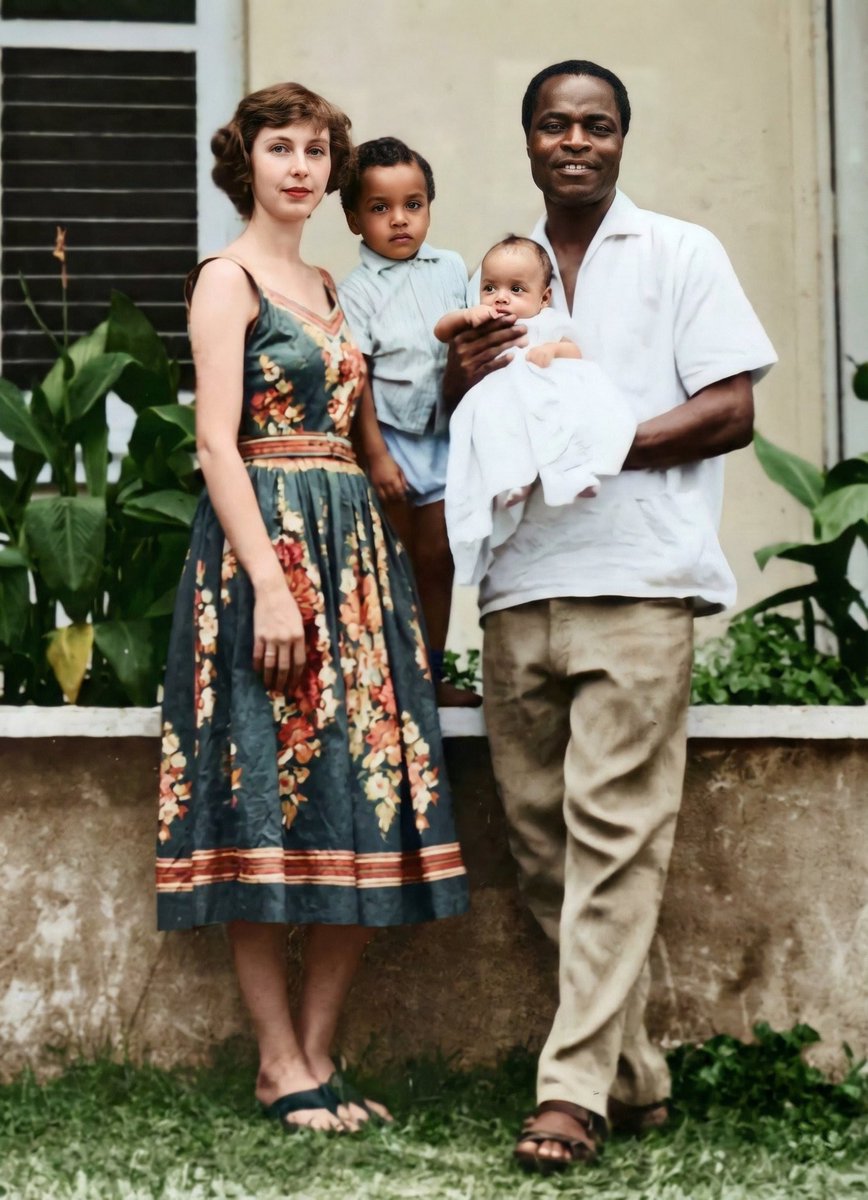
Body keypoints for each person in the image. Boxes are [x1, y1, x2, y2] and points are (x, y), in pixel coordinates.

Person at [442, 60, 777, 1172]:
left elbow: (730, 408)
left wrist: (596, 440)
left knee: (615, 844)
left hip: (638, 580)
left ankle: (568, 1095)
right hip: (517, 588)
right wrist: (467, 380)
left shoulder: (679, 252)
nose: (573, 140)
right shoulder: (504, 272)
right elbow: (473, 424)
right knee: (544, 855)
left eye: (594, 124)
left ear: (622, 138)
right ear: (528, 140)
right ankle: (634, 1079)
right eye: (553, 124)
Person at [156, 83, 469, 1135]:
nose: (299, 164)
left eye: (315, 150)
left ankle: (321, 1054)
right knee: (262, 802)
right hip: (266, 561)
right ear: (243, 162)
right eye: (278, 147)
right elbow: (214, 445)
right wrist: (271, 588)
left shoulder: (332, 282)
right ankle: (277, 1064)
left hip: (355, 563)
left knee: (356, 793)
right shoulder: (227, 279)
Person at [338, 137, 482, 707]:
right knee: (392, 563)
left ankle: (430, 674)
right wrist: (375, 455)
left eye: (413, 204)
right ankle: (388, 680)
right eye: (380, 208)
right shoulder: (357, 292)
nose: (399, 220)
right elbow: (357, 378)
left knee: (437, 559)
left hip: (444, 435)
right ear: (354, 217)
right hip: (390, 438)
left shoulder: (449, 268)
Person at [436, 235, 635, 584]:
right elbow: (442, 331)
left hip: (542, 390)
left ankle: (577, 475)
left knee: (563, 424)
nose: (501, 297)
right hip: (502, 395)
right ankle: (512, 486)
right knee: (495, 431)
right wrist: (468, 315)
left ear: (543, 298)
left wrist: (554, 351)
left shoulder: (548, 321)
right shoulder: (481, 321)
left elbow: (576, 351)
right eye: (490, 287)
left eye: (516, 289)